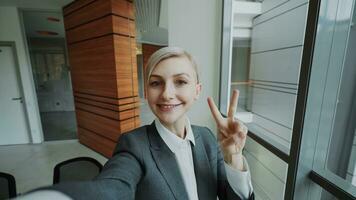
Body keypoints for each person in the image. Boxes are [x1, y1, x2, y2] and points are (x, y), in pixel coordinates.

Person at [18, 47, 254, 200]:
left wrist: (233, 156)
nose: (167, 94)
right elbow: (111, 189)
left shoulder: (207, 140)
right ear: (147, 91)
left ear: (197, 91)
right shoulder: (133, 145)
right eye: (155, 83)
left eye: (180, 81)